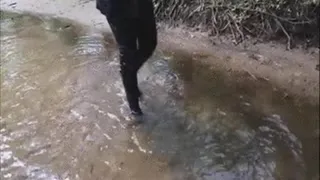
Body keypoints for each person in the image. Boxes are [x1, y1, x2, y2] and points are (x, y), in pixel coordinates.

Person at [96, 0, 157, 116]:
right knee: (127, 52)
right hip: (117, 6)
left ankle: (128, 73)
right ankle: (135, 110)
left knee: (150, 44)